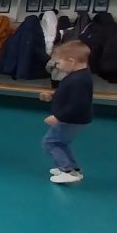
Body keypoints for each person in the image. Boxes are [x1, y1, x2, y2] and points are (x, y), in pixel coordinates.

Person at [39, 41, 93, 184]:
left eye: (59, 63)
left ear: (71, 61)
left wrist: (58, 117)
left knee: (50, 142)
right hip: (75, 119)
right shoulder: (78, 76)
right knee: (62, 142)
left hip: (70, 120)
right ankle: (74, 169)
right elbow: (68, 94)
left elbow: (77, 104)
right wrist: (52, 96)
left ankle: (67, 170)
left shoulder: (79, 80)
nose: (57, 66)